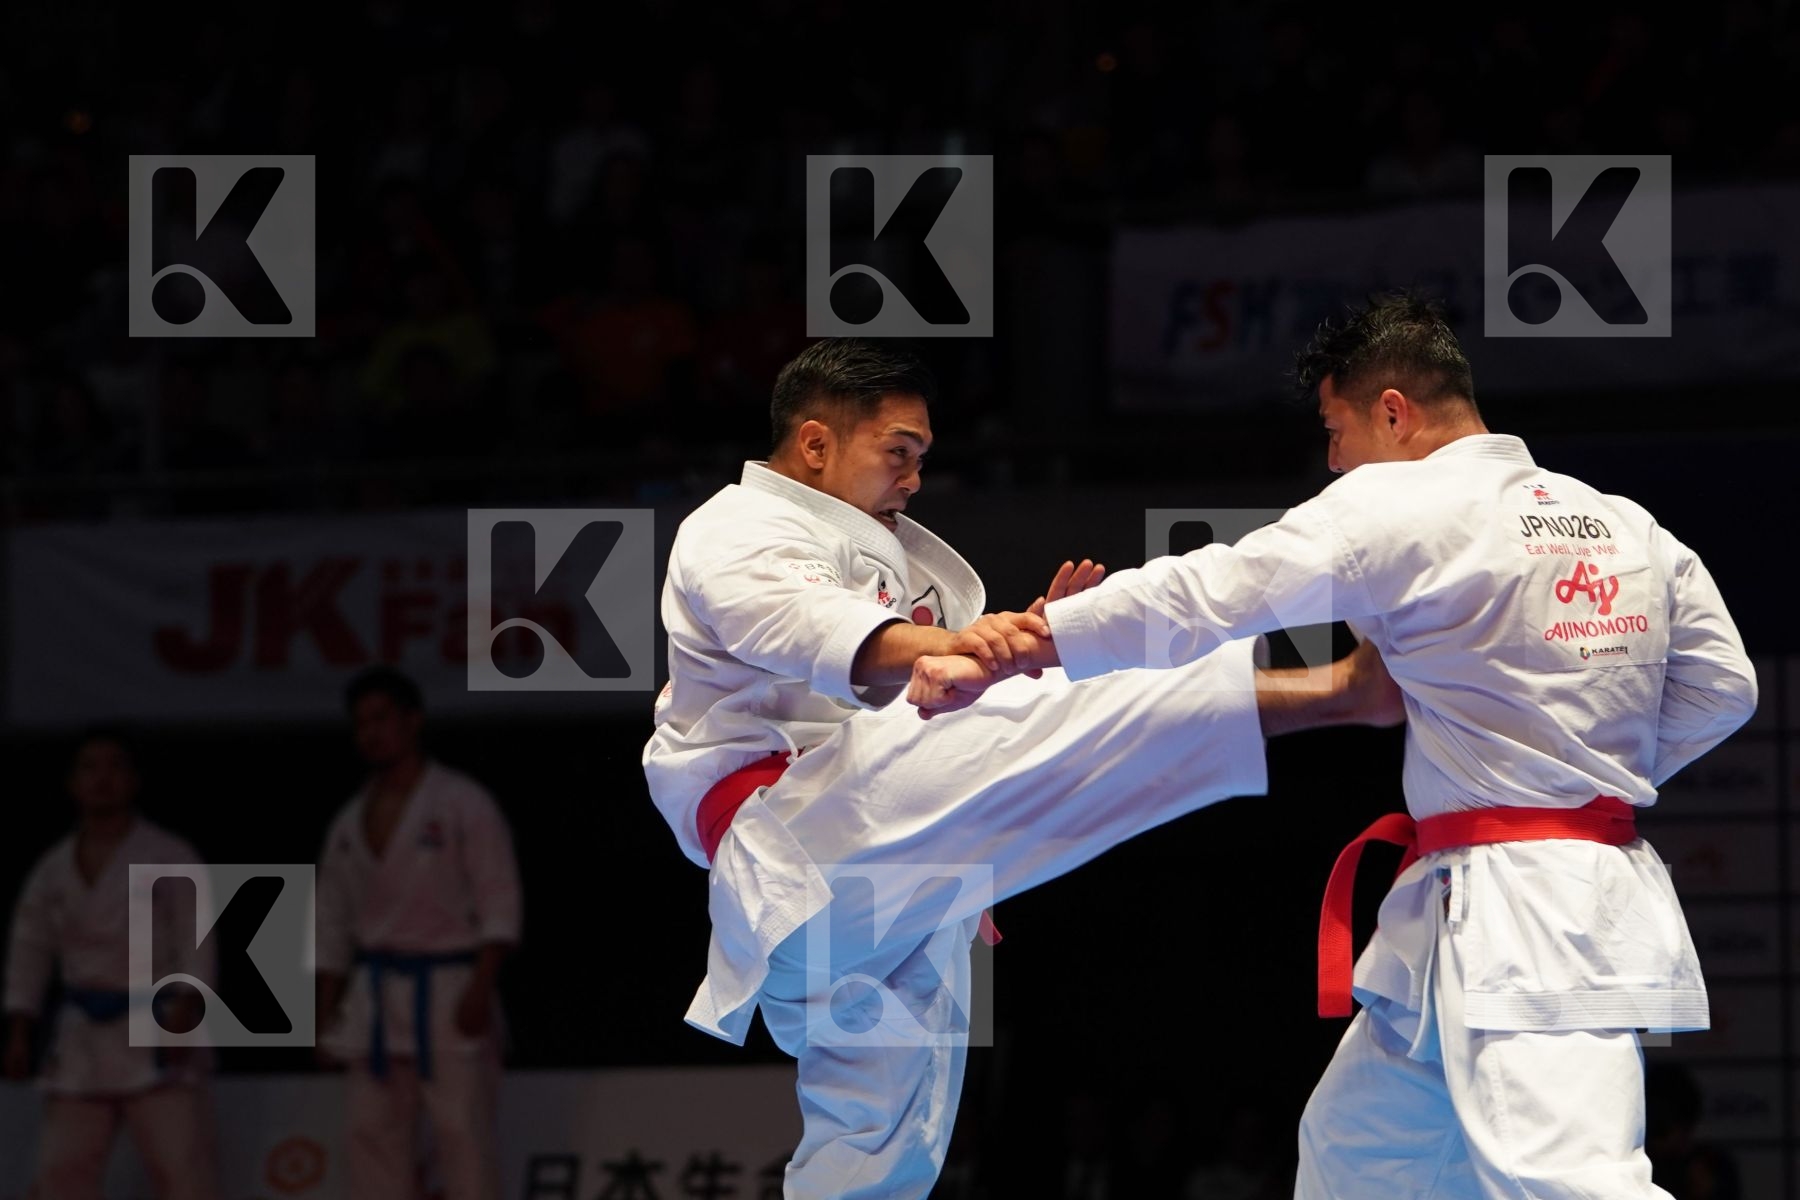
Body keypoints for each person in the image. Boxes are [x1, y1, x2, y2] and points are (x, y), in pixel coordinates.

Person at [910, 293, 1758, 1199]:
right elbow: (1724, 688)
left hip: (1533, 913)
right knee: (1360, 1159)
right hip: (1487, 898)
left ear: (1393, 411)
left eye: (1336, 428)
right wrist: (1582, 780)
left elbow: (1214, 590)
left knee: (1567, 1180)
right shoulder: (1627, 524)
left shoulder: (1403, 504)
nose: (1333, 459)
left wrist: (1044, 639)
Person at [644, 337, 1405, 1199]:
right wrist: (992, 657)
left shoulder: (915, 565)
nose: (914, 478)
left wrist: (1024, 649)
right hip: (796, 847)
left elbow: (949, 720)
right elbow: (805, 622)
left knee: (878, 1148)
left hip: (877, 895)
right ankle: (1344, 690)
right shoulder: (740, 527)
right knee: (1092, 681)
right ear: (815, 444)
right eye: (898, 453)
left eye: (923, 459)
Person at [315, 666, 522, 1200]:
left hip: (451, 985)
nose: (371, 732)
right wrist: (325, 1010)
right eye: (361, 723)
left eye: (382, 718)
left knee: (461, 1135)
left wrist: (481, 986)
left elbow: (498, 899)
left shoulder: (461, 803)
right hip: (375, 991)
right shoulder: (346, 822)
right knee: (370, 1136)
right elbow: (332, 924)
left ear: (413, 721)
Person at [3, 726, 220, 1200]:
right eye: (89, 768)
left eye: (116, 766)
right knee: (61, 1172)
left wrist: (189, 1004)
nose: (102, 778)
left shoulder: (169, 852)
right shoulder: (52, 868)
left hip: (157, 1025)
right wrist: (21, 1024)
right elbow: (30, 948)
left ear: (134, 781)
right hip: (82, 1035)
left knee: (183, 1172)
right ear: (72, 784)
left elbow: (196, 934)